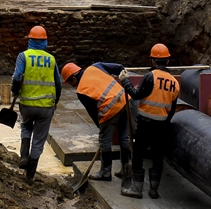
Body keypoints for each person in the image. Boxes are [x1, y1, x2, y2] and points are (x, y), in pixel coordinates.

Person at [62, 61, 141, 197]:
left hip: (109, 109)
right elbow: (119, 68)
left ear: (73, 78)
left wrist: (103, 129)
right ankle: (124, 169)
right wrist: (125, 82)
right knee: (124, 137)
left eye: (70, 83)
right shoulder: (95, 66)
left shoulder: (81, 90)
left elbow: (94, 114)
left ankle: (105, 172)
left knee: (105, 141)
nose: (71, 85)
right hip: (124, 99)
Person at [123, 43, 180, 198]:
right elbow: (172, 109)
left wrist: (125, 81)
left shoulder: (151, 76)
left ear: (153, 61)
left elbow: (135, 94)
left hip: (145, 122)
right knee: (157, 156)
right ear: (167, 61)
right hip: (161, 124)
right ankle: (154, 190)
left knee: (139, 154)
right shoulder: (174, 82)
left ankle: (136, 189)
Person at [10, 25, 62, 181]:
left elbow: (18, 76)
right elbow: (58, 84)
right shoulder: (51, 59)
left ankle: (24, 157)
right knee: (39, 139)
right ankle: (30, 176)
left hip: (27, 104)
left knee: (26, 126)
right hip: (46, 107)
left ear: (30, 40)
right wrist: (56, 101)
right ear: (45, 42)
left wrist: (14, 91)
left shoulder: (23, 56)